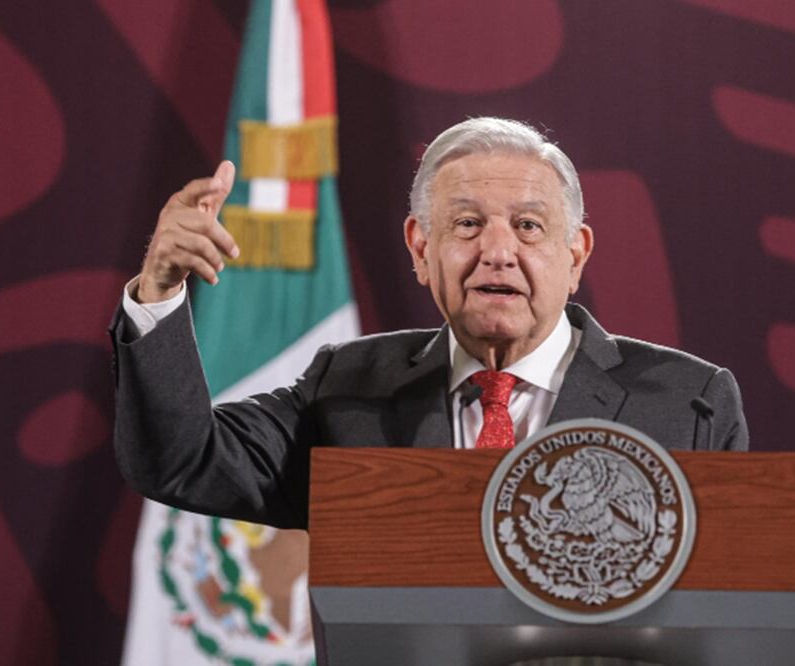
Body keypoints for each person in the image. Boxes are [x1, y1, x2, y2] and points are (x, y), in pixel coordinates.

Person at [111, 117, 747, 529]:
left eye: (528, 226)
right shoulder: (347, 388)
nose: (498, 251)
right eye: (467, 224)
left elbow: (734, 606)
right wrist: (160, 292)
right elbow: (182, 460)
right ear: (420, 247)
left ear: (575, 254)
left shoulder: (689, 403)